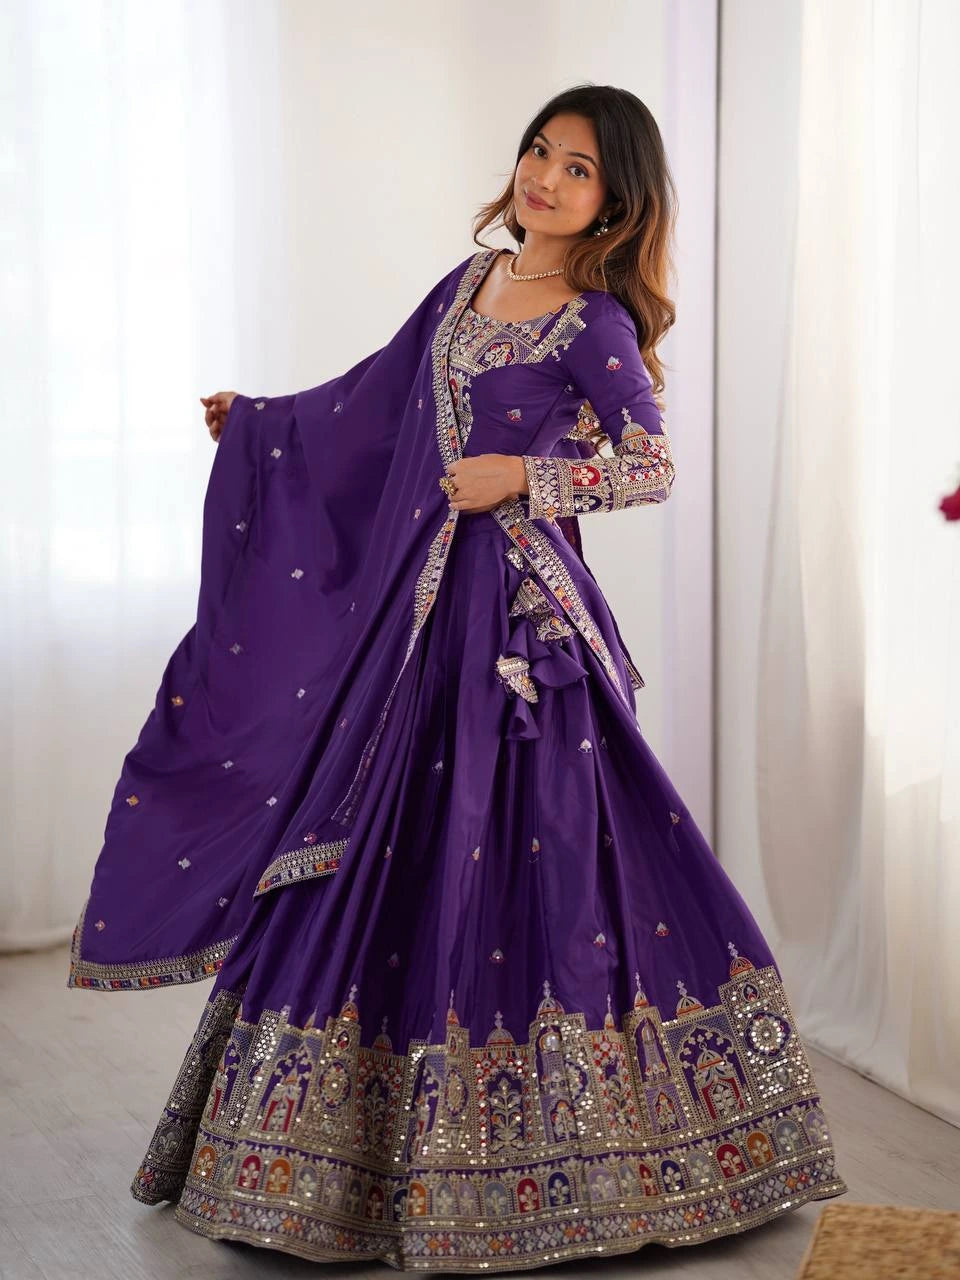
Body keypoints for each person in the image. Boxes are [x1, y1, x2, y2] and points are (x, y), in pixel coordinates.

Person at [67, 84, 848, 1271]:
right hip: (416, 625)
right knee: (378, 836)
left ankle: (597, 1147)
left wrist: (524, 481)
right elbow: (376, 408)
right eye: (540, 151)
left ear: (617, 201)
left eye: (577, 168)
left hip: (519, 633)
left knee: (543, 854)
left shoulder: (594, 324)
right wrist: (266, 423)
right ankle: (326, 1150)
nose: (544, 177)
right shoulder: (466, 285)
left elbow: (650, 464)